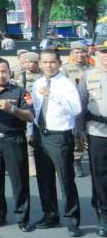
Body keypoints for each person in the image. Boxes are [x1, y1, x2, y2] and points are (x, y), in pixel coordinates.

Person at [32, 49, 83, 236]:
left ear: (59, 63)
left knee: (66, 178)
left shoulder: (66, 84)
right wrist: (32, 132)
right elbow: (37, 111)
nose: (48, 65)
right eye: (44, 62)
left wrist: (52, 94)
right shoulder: (37, 83)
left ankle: (72, 219)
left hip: (60, 136)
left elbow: (76, 108)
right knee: (44, 179)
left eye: (52, 62)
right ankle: (50, 215)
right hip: (40, 134)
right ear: (40, 63)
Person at [0, 57, 35, 231]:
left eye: (4, 71)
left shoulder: (20, 91)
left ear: (9, 72)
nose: (0, 75)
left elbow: (30, 116)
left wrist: (13, 109)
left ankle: (22, 217)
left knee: (19, 181)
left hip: (14, 139)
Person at [78, 41, 107, 237]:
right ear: (96, 54)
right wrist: (79, 132)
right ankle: (103, 215)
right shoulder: (89, 76)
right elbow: (80, 106)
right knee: (100, 176)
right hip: (97, 132)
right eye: (103, 52)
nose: (106, 56)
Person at [64, 41, 92, 177]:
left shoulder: (92, 68)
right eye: (77, 52)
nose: (80, 54)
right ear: (72, 53)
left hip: (90, 106)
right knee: (77, 135)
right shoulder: (65, 69)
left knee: (92, 134)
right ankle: (77, 161)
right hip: (74, 107)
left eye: (82, 52)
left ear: (87, 53)